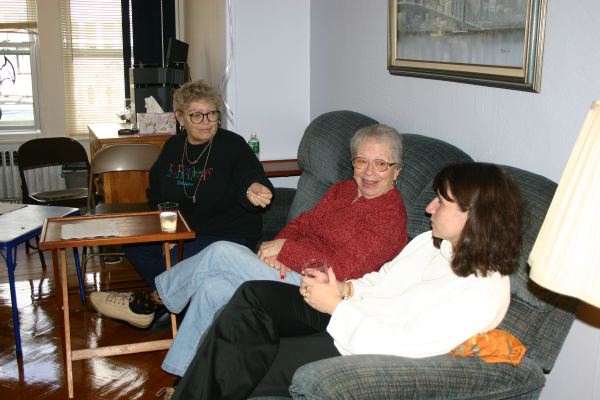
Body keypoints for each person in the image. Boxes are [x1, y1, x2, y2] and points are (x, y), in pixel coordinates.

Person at [168, 162, 524, 400]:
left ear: (476, 216)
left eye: (441, 202)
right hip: (349, 310)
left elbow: (408, 346)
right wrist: (344, 288)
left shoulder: (480, 290)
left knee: (249, 363)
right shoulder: (430, 243)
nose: (429, 208)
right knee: (253, 295)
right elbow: (382, 279)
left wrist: (336, 307)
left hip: (362, 346)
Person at [154, 123, 409, 380]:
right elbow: (302, 223)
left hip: (318, 291)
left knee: (220, 251)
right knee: (212, 288)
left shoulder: (389, 216)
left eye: (381, 164)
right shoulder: (343, 190)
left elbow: (343, 269)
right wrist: (279, 252)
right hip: (292, 269)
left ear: (396, 171)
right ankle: (182, 377)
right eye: (361, 161)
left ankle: (158, 300)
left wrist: (286, 250)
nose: (368, 172)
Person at [90, 80, 274, 329]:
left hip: (227, 235)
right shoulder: (173, 147)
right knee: (134, 242)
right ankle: (181, 304)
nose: (207, 121)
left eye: (211, 114)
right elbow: (155, 191)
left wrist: (255, 189)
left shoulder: (233, 145)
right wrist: (158, 227)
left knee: (180, 264)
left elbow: (250, 177)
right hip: (184, 230)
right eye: (196, 115)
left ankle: (149, 304)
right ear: (180, 118)